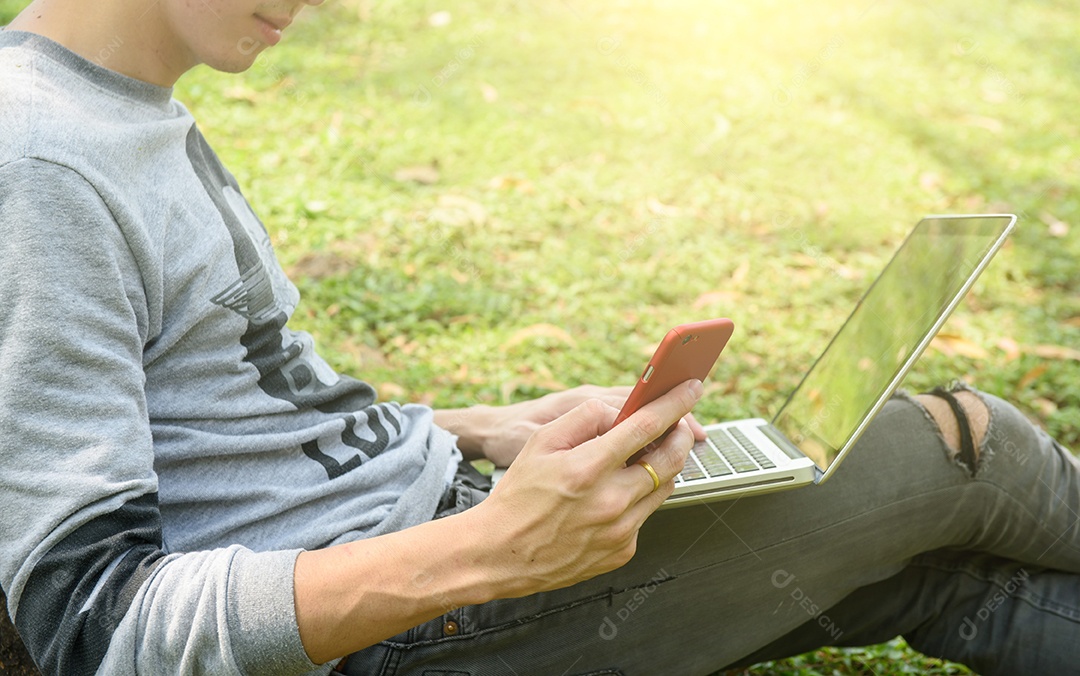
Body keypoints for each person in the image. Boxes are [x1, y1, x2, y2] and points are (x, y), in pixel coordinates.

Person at [0, 1, 1077, 675]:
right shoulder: (40, 160)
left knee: (919, 571)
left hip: (437, 531)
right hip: (409, 620)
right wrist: (488, 550)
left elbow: (212, 410)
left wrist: (473, 429)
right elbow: (95, 628)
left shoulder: (126, 107)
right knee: (955, 445)